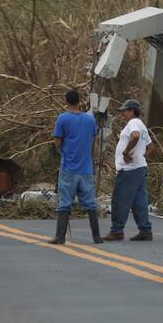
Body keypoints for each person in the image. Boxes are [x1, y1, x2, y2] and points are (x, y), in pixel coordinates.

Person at [49, 88, 102, 244]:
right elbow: (93, 141)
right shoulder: (90, 120)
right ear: (80, 101)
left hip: (68, 168)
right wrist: (92, 159)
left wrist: (63, 151)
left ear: (66, 101)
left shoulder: (63, 119)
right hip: (86, 168)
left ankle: (60, 237)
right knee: (90, 203)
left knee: (65, 203)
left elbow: (57, 141)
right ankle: (96, 236)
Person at [103, 99, 153, 242]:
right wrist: (140, 157)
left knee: (120, 199)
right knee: (139, 201)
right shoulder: (142, 125)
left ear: (132, 111)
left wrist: (126, 153)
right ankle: (145, 230)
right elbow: (150, 146)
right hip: (139, 168)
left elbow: (135, 136)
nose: (123, 114)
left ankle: (117, 231)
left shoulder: (134, 123)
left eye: (124, 111)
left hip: (129, 170)